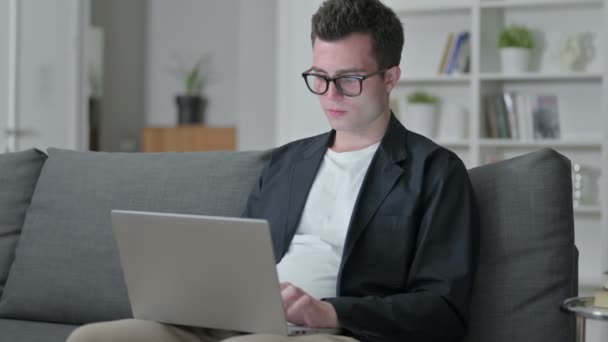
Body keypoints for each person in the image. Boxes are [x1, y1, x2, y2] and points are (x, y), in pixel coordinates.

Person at [67, 0, 478, 341]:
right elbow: (242, 261)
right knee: (93, 338)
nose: (330, 95)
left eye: (349, 79)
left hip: (338, 332)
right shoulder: (285, 164)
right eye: (319, 77)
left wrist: (330, 314)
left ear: (391, 77)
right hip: (241, 322)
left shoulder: (436, 172)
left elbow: (441, 308)